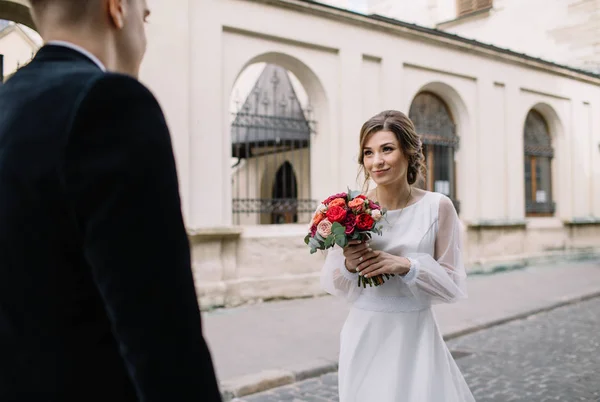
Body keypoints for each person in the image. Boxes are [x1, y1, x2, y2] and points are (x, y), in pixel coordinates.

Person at [0, 0, 222, 401]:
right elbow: (162, 334)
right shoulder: (110, 102)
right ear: (117, 8)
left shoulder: (8, 103)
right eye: (146, 16)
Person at [320, 110, 475, 401]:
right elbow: (336, 284)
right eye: (368, 152)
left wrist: (408, 266)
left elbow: (452, 286)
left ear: (408, 152)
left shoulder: (437, 207)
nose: (376, 161)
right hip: (364, 332)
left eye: (386, 149)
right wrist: (350, 265)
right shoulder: (352, 210)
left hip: (414, 335)